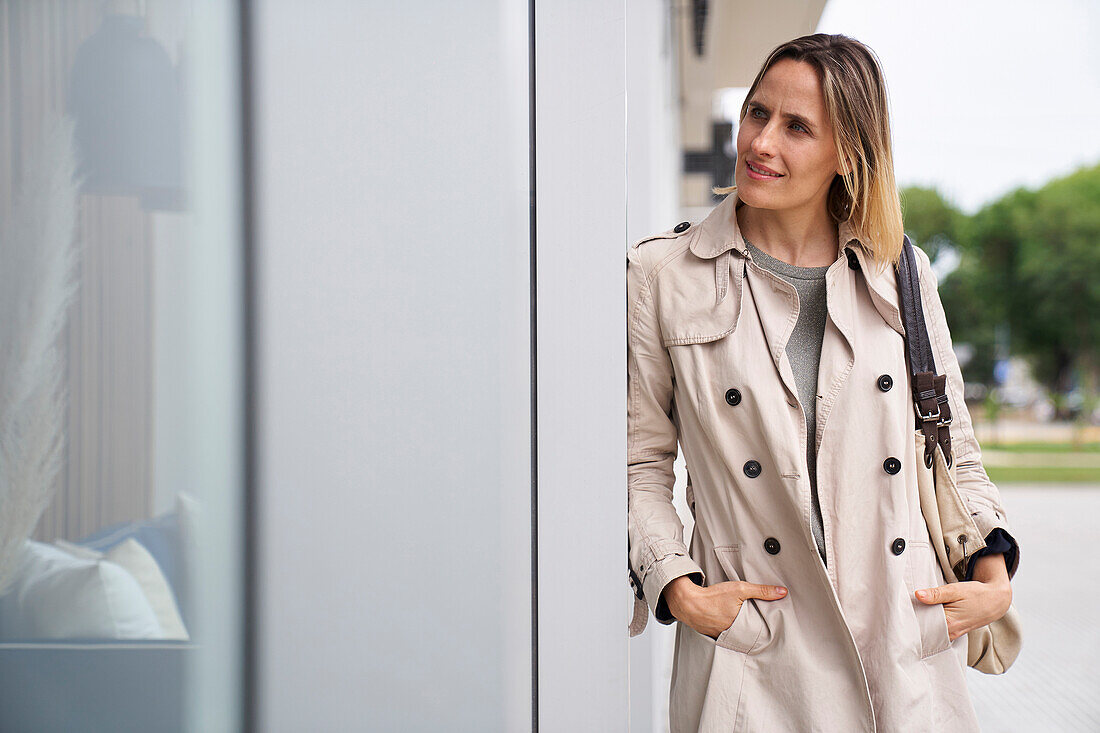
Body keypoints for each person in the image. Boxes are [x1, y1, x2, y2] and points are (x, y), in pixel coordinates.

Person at [626, 33, 1019, 732]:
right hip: (755, 652)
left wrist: (993, 570)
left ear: (848, 154)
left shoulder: (902, 271)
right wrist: (679, 586)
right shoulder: (663, 276)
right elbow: (636, 462)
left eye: (796, 126)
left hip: (899, 646)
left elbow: (952, 443)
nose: (760, 141)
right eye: (756, 113)